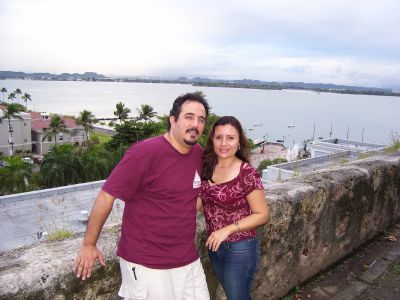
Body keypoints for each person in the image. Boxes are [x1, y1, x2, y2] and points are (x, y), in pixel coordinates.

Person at [73, 93, 211, 300]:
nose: (195, 124)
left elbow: (192, 198)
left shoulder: (198, 154)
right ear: (173, 120)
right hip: (146, 262)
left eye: (201, 119)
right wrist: (89, 244)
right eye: (189, 117)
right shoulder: (145, 152)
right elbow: (106, 196)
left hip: (187, 258)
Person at [198, 116, 269, 300]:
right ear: (211, 140)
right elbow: (202, 203)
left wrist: (226, 230)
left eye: (230, 138)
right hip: (214, 244)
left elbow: (262, 215)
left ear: (239, 142)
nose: (223, 143)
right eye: (218, 137)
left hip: (240, 247)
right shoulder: (206, 167)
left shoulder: (247, 173)